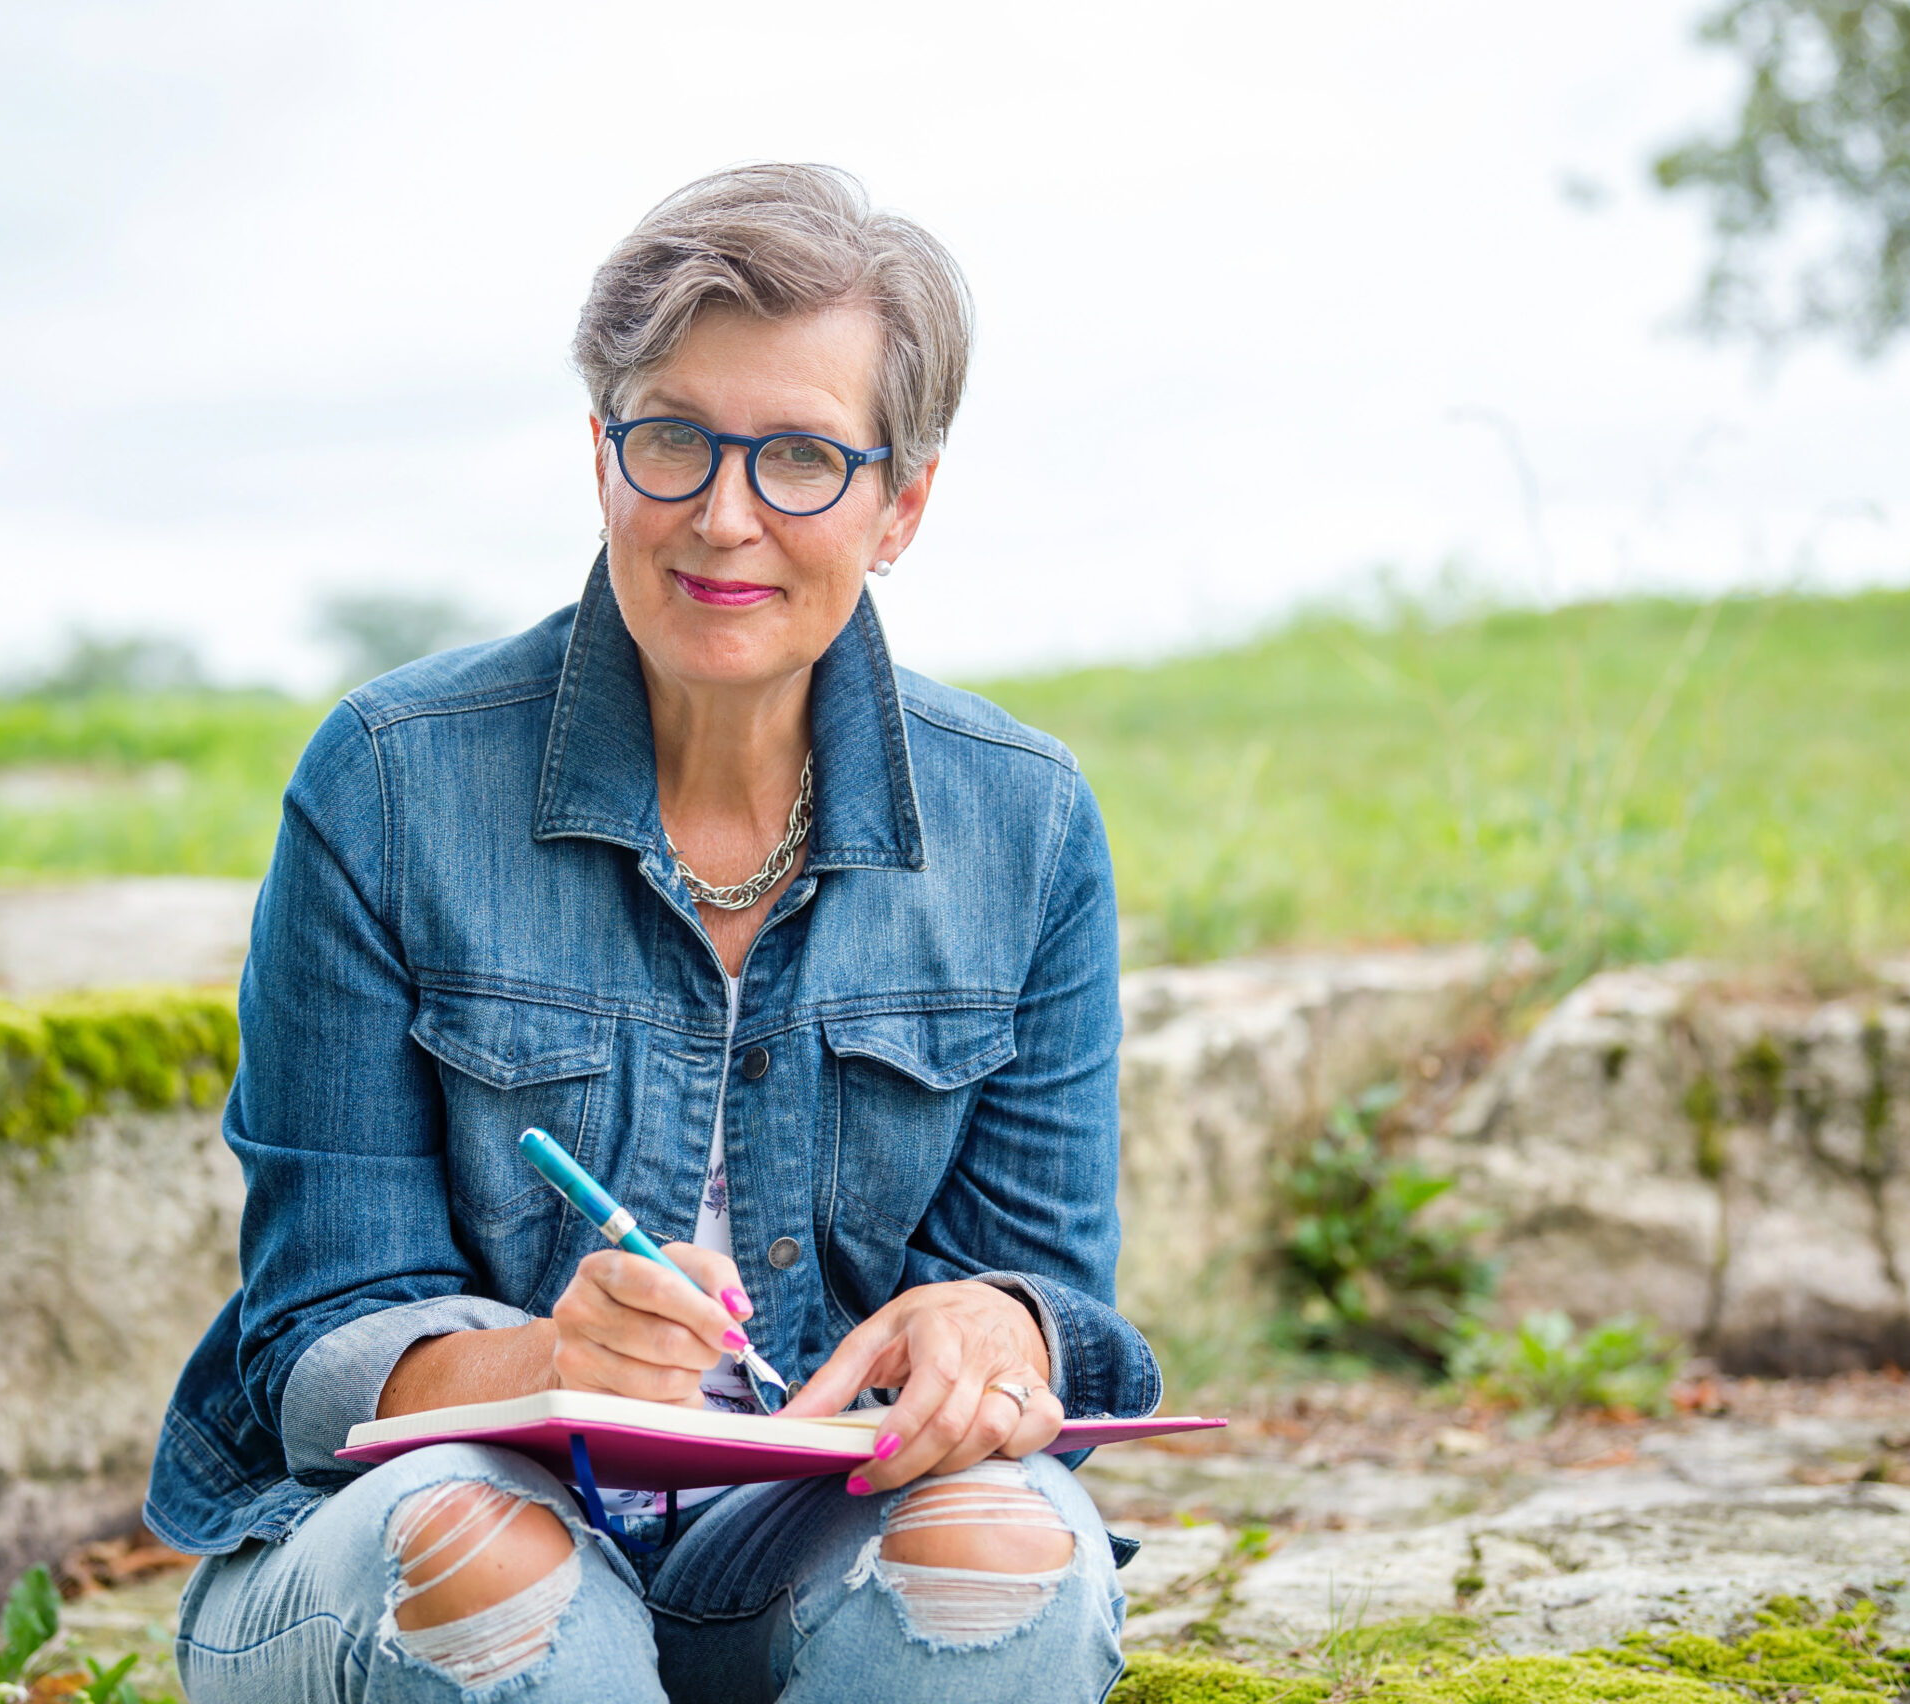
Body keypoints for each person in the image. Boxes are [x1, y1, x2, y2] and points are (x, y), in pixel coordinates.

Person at [145, 162, 1160, 1704]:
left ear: (904, 505)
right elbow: (316, 1339)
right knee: (498, 1581)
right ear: (603, 456)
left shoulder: (1025, 825)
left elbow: (1051, 1294)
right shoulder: (389, 781)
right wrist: (545, 1367)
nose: (726, 513)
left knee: (1001, 1560)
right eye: (674, 438)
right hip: (414, 1540)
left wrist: (993, 1324)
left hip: (799, 1548)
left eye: (806, 457)